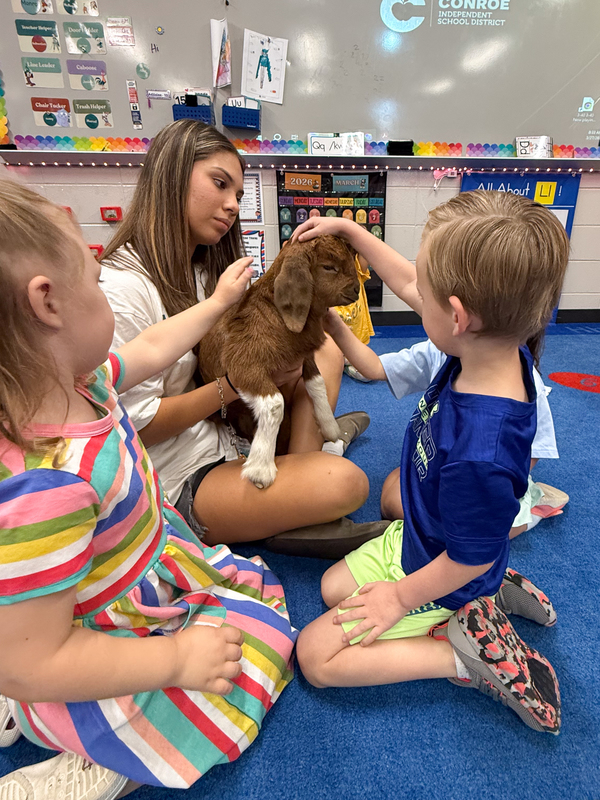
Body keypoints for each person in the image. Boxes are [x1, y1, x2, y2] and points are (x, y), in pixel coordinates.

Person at [0, 180, 298, 799]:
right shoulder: (50, 481)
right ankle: (98, 752)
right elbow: (35, 661)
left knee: (245, 597)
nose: (103, 283)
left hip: (126, 570)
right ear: (48, 302)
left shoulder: (80, 383)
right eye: (94, 276)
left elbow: (152, 347)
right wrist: (176, 660)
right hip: (83, 639)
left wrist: (218, 303)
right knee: (255, 650)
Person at [295, 190, 569, 733]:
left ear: (458, 315)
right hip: (423, 535)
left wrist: (400, 598)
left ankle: (466, 656)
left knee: (314, 656)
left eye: (424, 293)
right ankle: (490, 588)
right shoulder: (488, 344)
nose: (413, 295)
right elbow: (404, 279)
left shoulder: (480, 449)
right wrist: (349, 232)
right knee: (331, 588)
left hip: (442, 570)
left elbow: (469, 554)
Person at [100, 119, 386, 558]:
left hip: (230, 430)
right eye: (220, 184)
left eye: (237, 193)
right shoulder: (123, 289)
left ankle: (301, 470)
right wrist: (232, 387)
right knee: (345, 484)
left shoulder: (204, 269)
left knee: (322, 349)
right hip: (179, 473)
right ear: (171, 178)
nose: (232, 205)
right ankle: (308, 477)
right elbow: (137, 431)